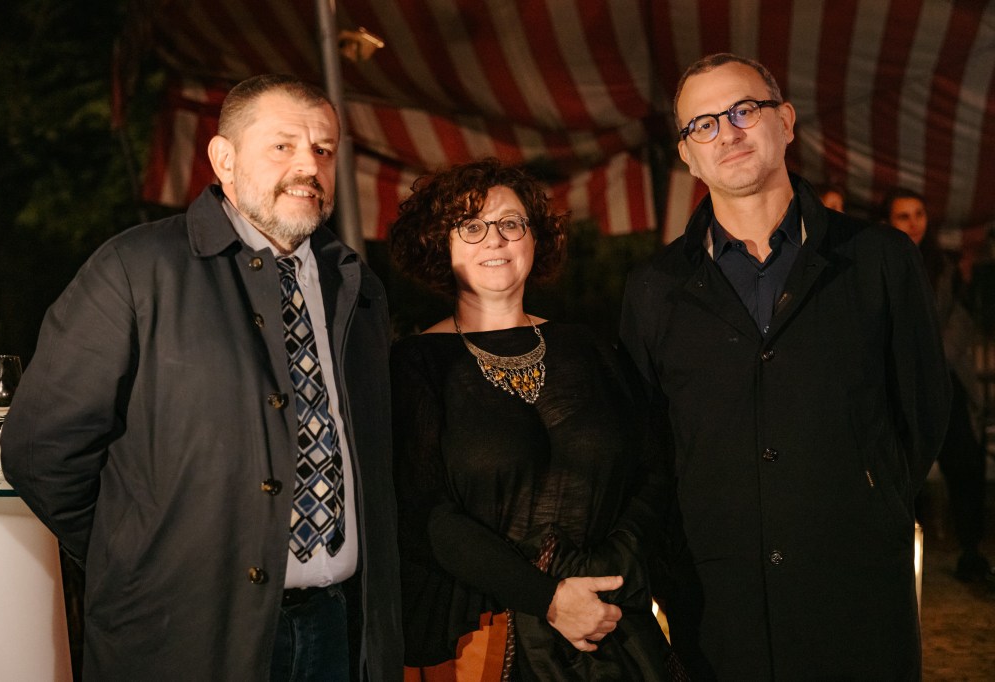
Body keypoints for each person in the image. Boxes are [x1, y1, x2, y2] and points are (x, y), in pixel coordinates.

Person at [1, 74, 402, 680]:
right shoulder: (136, 268)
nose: (308, 166)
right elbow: (41, 451)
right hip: (184, 633)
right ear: (224, 159)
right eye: (282, 145)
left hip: (333, 628)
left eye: (323, 149)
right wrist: (139, 560)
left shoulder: (355, 285)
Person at [619, 53, 951, 680]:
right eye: (704, 124)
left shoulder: (879, 258)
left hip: (856, 591)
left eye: (744, 110)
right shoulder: (655, 288)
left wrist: (867, 505)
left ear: (786, 121)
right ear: (688, 155)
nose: (728, 133)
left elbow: (923, 408)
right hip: (718, 604)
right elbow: (650, 441)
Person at [388, 158, 677, 681]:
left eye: (511, 223)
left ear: (535, 238)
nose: (494, 240)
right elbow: (424, 513)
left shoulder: (589, 348)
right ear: (439, 244)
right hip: (482, 640)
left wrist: (610, 571)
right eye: (471, 226)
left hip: (609, 627)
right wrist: (548, 597)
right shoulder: (415, 364)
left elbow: (652, 469)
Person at [883, 187, 993, 584]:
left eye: (919, 214)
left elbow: (960, 321)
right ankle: (894, 551)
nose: (914, 223)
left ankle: (970, 548)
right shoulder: (879, 262)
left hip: (942, 377)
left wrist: (930, 358)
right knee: (898, 462)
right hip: (896, 380)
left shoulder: (943, 266)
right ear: (888, 221)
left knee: (963, 458)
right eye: (903, 216)